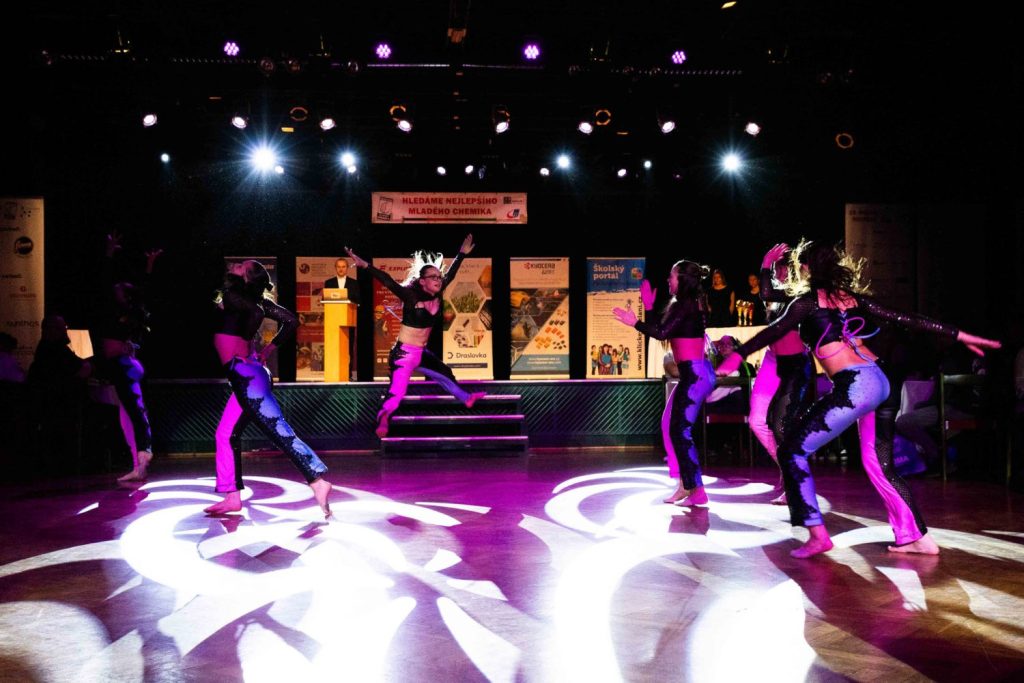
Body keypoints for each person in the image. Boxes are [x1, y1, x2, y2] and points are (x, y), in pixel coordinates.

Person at [717, 240, 1000, 558]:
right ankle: (916, 537)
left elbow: (773, 331)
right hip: (881, 379)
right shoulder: (849, 298)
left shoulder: (806, 303)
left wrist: (737, 355)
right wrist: (959, 334)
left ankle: (818, 536)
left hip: (856, 386)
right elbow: (907, 318)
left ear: (805, 268)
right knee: (879, 464)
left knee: (792, 451)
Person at [206, 259, 333, 517]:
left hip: (247, 377)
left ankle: (317, 480)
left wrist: (254, 344)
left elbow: (257, 314)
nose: (235, 265)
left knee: (278, 431)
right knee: (225, 435)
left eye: (241, 266)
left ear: (247, 278)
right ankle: (232, 497)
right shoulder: (252, 300)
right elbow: (291, 320)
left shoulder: (238, 298)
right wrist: (267, 349)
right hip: (246, 375)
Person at [345, 235, 485, 438]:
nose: (438, 280)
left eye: (439, 277)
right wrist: (364, 265)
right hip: (403, 354)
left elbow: (452, 274)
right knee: (397, 393)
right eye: (433, 277)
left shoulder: (438, 292)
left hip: (420, 353)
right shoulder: (410, 296)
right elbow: (388, 281)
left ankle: (467, 398)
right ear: (422, 281)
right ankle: (384, 418)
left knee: (444, 372)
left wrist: (461, 254)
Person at [613, 260, 715, 506]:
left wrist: (635, 322)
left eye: (672, 276)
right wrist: (648, 308)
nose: (668, 280)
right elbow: (663, 329)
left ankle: (696, 489)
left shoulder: (685, 304)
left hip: (695, 374)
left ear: (683, 280)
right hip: (694, 373)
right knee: (669, 424)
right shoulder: (687, 304)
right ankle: (684, 484)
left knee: (680, 431)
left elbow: (660, 332)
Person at [744, 244, 817, 505]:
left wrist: (765, 264)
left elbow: (765, 291)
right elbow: (767, 293)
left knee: (783, 426)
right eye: (774, 269)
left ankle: (794, 480)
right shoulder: (776, 295)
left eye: (781, 268)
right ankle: (788, 470)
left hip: (794, 363)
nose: (777, 273)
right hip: (771, 360)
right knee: (756, 421)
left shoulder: (800, 294)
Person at [96, 232, 160, 482]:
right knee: (127, 416)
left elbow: (106, 283)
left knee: (134, 411)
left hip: (123, 365)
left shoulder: (119, 311)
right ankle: (138, 465)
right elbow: (142, 289)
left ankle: (145, 451)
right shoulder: (128, 312)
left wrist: (109, 255)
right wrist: (149, 266)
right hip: (122, 364)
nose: (116, 287)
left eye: (120, 289)